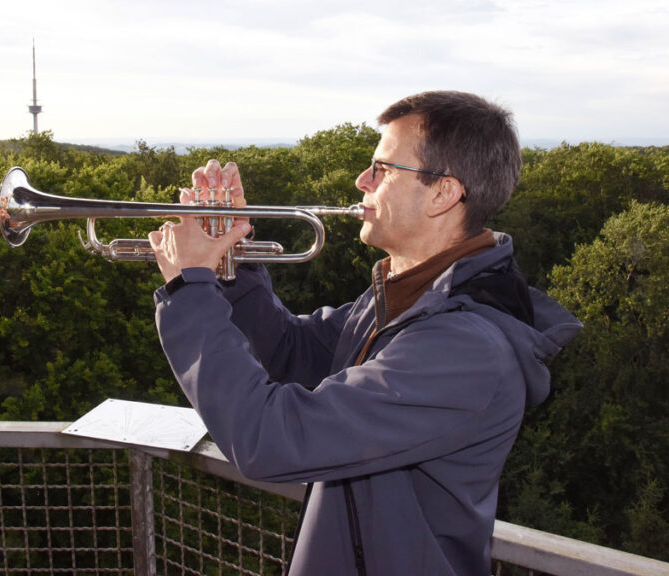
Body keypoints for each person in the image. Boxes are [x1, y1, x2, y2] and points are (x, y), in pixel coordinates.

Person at [147, 90, 582, 575]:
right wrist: (229, 263)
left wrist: (189, 290)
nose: (361, 180)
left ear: (443, 194)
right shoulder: (406, 298)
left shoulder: (463, 349)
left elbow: (269, 440)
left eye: (383, 169)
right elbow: (290, 352)